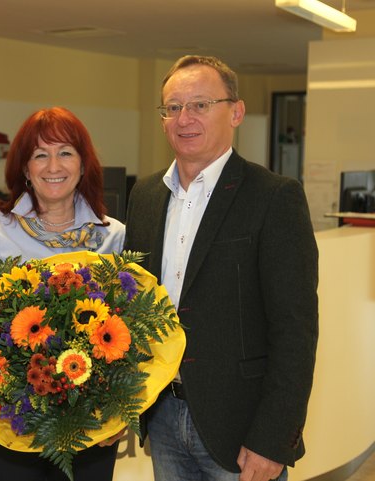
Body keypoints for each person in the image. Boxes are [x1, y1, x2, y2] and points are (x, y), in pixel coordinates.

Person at [125, 55, 318, 481]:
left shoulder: (273, 197)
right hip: (162, 418)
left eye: (200, 104)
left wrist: (273, 439)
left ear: (235, 111)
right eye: (172, 107)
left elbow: (295, 331)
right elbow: (132, 310)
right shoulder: (145, 196)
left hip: (241, 431)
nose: (184, 118)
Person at [0, 106, 125, 481]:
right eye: (40, 155)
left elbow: (126, 335)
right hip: (5, 423)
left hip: (89, 424)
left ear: (84, 165)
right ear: (24, 168)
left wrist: (119, 410)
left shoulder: (112, 235)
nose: (54, 165)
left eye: (65, 152)